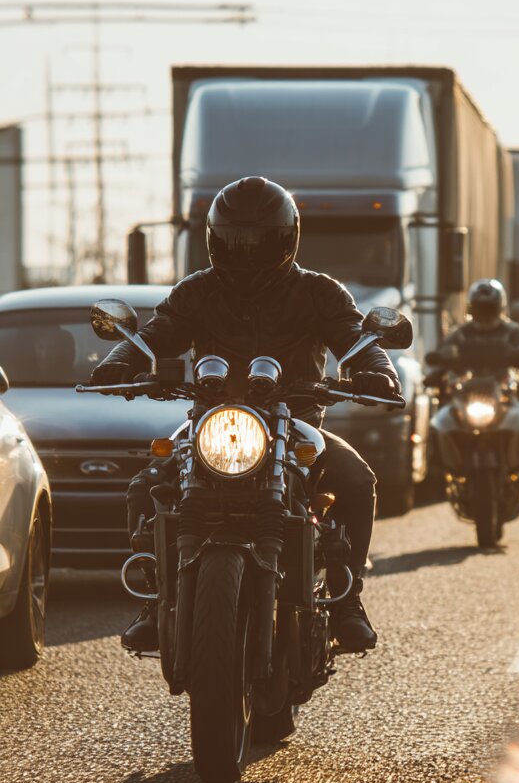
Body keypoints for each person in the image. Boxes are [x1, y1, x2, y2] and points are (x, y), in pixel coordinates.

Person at [90, 176, 400, 655]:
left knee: (356, 480)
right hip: (211, 423)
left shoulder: (319, 293)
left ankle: (346, 601)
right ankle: (155, 601)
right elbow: (159, 333)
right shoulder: (198, 292)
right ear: (217, 237)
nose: (248, 250)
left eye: (260, 240)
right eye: (236, 239)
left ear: (286, 237)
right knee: (146, 487)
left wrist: (377, 371)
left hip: (294, 426)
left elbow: (353, 337)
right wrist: (121, 361)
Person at [431, 279, 519, 385]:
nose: (484, 313)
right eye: (480, 308)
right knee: (445, 407)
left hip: (504, 390)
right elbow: (442, 352)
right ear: (471, 308)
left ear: (499, 308)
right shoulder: (461, 333)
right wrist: (436, 372)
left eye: (489, 308)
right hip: (466, 390)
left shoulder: (513, 332)